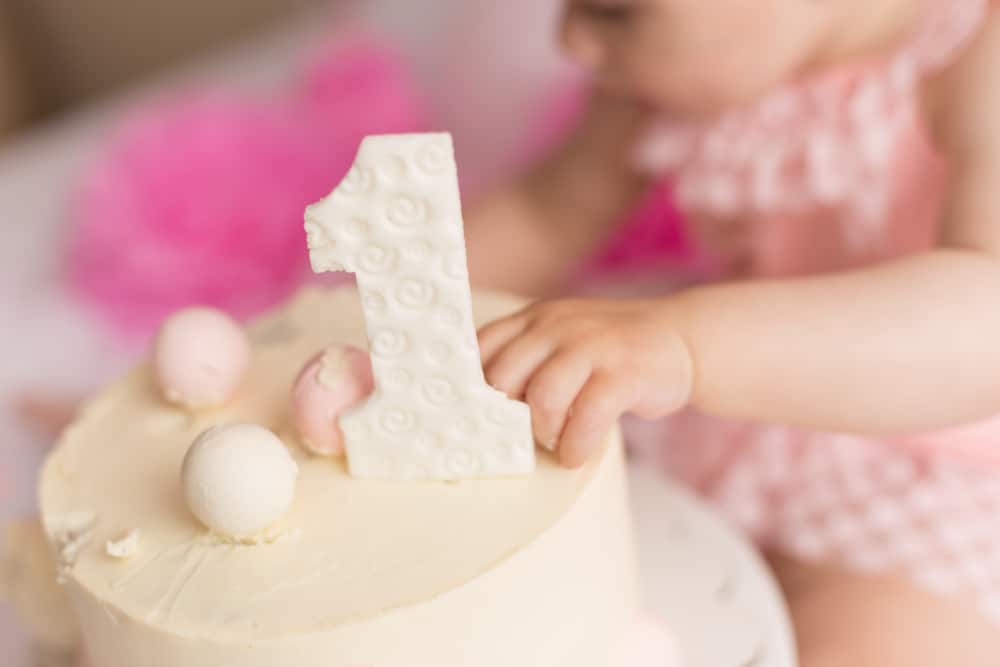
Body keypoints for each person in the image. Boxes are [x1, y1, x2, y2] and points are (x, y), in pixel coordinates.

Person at [467, 1, 1000, 664]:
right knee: (534, 579)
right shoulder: (677, 70)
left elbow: (986, 317)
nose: (571, 41)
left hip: (933, 467)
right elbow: (544, 212)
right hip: (719, 412)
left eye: (613, 11)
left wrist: (687, 344)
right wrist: (394, 327)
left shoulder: (976, 54)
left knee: (890, 642)